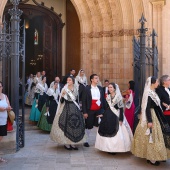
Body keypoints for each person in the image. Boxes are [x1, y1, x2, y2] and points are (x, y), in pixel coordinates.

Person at [131, 76, 170, 166]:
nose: (158, 83)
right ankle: (151, 158)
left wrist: (163, 105)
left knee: (160, 136)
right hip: (151, 116)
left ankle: (159, 155)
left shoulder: (154, 92)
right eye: (156, 82)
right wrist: (149, 121)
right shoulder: (148, 93)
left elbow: (158, 104)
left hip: (157, 114)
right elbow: (147, 108)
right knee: (152, 137)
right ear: (152, 83)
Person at [95, 83, 133, 154]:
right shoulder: (108, 97)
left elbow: (121, 109)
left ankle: (114, 149)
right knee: (106, 130)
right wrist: (102, 114)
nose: (110, 89)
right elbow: (106, 108)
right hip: (107, 116)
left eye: (111, 87)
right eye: (109, 87)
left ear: (115, 88)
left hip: (116, 116)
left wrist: (121, 119)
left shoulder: (118, 97)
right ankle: (107, 148)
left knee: (116, 131)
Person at [50, 76, 85, 150]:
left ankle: (73, 143)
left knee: (74, 125)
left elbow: (77, 100)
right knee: (66, 124)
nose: (68, 81)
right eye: (67, 80)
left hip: (74, 108)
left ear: (73, 81)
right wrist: (62, 95)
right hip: (66, 107)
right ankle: (66, 143)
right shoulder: (64, 89)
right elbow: (61, 101)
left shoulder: (76, 89)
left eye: (69, 80)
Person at [82, 74, 105, 147]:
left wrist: (103, 110)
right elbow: (84, 101)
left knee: (100, 125)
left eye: (98, 78)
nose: (97, 79)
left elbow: (103, 100)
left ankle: (99, 141)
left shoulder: (100, 88)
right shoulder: (87, 89)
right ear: (91, 79)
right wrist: (85, 112)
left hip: (99, 110)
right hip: (90, 110)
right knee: (89, 126)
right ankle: (86, 140)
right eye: (96, 78)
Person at [0, 81, 12, 163]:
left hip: (3, 120)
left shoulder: (5, 96)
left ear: (2, 87)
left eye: (0, 86)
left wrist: (6, 108)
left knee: (0, 138)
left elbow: (9, 106)